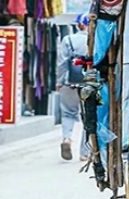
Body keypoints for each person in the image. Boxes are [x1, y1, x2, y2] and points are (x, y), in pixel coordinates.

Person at [55, 14, 92, 162]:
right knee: (88, 117)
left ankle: (67, 139)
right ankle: (84, 152)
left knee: (68, 113)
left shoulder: (68, 40)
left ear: (79, 25)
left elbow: (62, 63)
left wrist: (59, 82)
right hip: (89, 82)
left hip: (69, 81)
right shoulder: (95, 41)